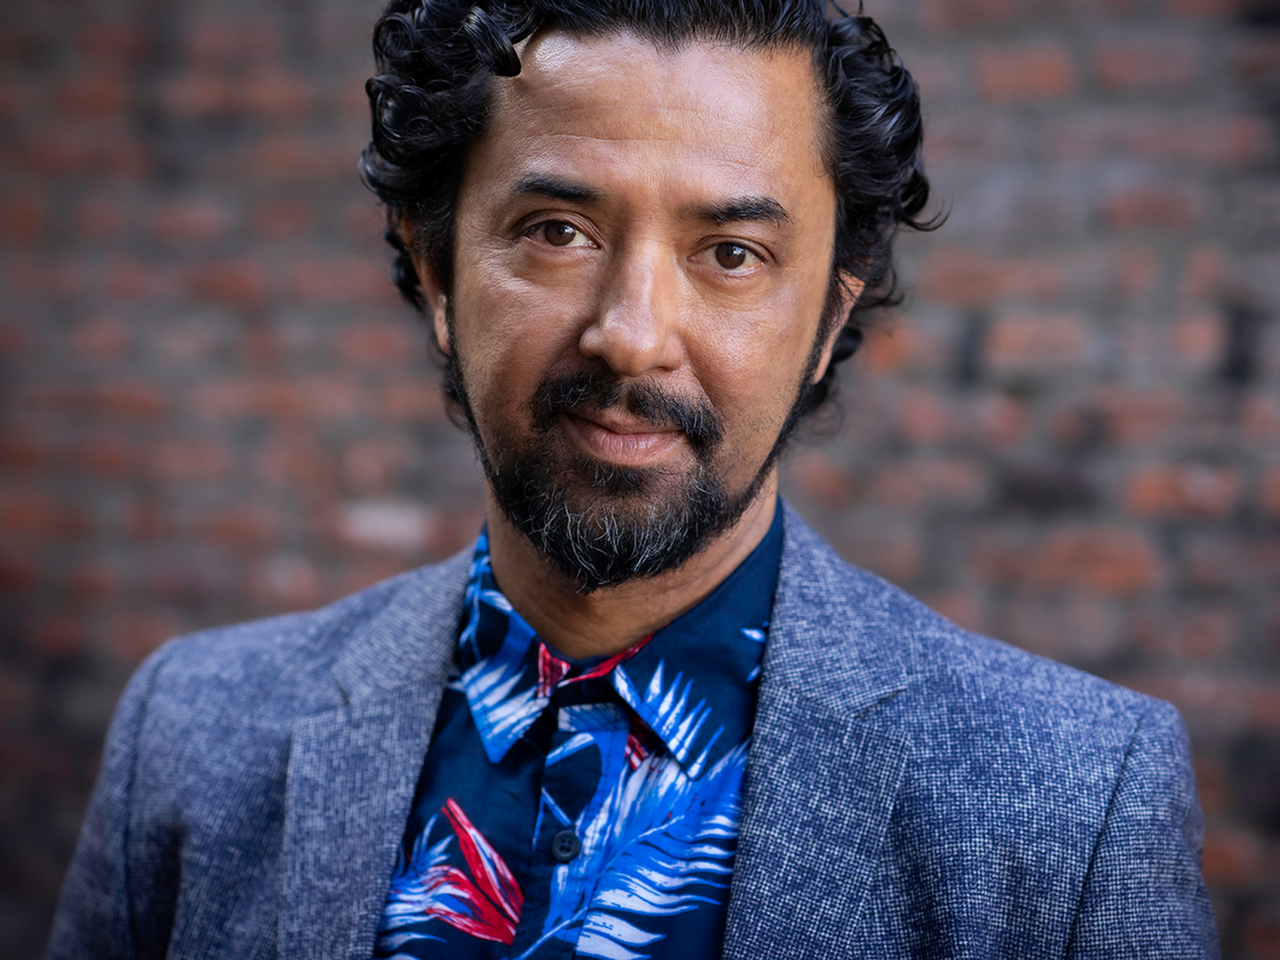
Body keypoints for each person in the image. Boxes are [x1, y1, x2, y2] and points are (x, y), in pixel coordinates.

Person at [49, 1, 1219, 957]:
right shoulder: (194, 738)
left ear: (826, 321)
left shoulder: (1070, 809)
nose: (630, 334)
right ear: (437, 271)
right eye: (557, 230)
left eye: (730, 254)